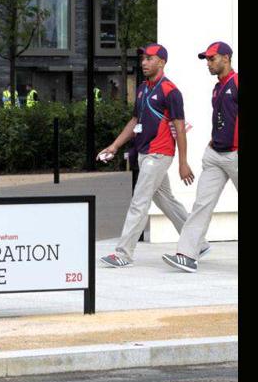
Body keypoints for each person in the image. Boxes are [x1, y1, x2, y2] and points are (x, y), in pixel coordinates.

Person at [97, 43, 209, 268]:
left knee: (139, 201)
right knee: (166, 200)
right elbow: (135, 121)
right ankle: (199, 242)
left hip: (159, 154)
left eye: (149, 58)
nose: (144, 63)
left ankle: (123, 253)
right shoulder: (142, 88)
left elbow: (178, 127)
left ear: (162, 62)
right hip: (144, 152)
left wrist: (183, 162)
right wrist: (115, 145)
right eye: (143, 59)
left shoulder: (171, 91)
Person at [162, 42, 238, 273]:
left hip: (235, 154)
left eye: (212, 58)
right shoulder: (217, 88)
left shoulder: (236, 83)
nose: (208, 63)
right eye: (206, 59)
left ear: (226, 58)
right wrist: (214, 140)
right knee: (201, 205)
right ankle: (186, 254)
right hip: (215, 155)